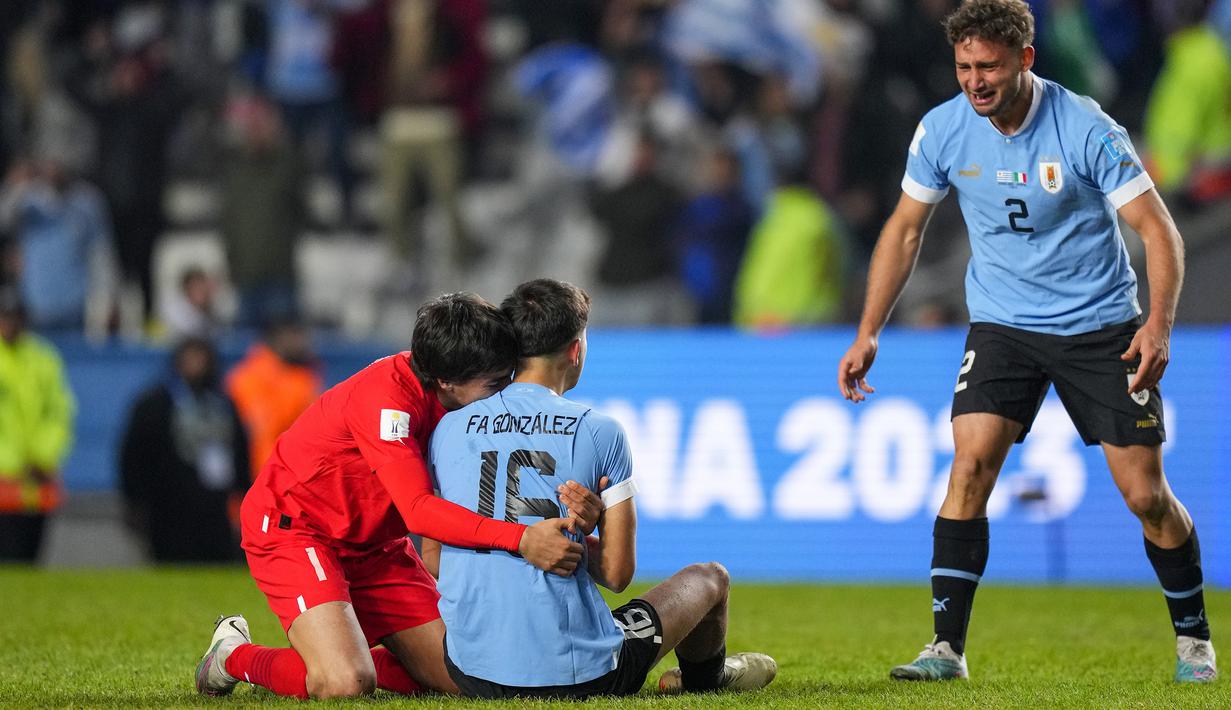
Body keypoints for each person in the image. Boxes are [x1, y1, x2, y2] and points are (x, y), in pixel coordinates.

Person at [836, 0, 1215, 684]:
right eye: (963, 67)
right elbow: (902, 231)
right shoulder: (943, 130)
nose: (974, 81)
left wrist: (1155, 326)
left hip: (1099, 325)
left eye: (988, 67)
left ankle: (1193, 641)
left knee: (1143, 496)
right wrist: (868, 331)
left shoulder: (1084, 126)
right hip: (1004, 325)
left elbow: (1159, 232)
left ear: (1024, 60)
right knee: (970, 463)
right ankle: (944, 649)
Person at [195, 293, 601, 699]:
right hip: (298, 529)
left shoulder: (458, 383)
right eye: (495, 383)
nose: (503, 394)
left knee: (467, 678)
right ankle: (231, 656)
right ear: (447, 382)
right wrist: (522, 539)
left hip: (377, 547)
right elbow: (420, 511)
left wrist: (577, 514)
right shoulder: (388, 401)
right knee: (345, 683)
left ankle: (347, 651)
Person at [426, 278, 777, 698]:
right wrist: (582, 536)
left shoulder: (449, 427)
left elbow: (435, 558)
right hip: (578, 676)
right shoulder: (600, 431)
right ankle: (707, 681)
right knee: (710, 578)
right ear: (575, 349)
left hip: (469, 670)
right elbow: (617, 574)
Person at [119, 338, 250, 563]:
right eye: (190, 358)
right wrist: (135, 500)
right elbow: (134, 454)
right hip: (167, 504)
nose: (196, 365)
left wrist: (244, 491)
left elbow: (239, 448)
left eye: (201, 358)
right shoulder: (156, 404)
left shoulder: (223, 403)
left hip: (214, 503)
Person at [0, 286, 75, 562]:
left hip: (36, 474)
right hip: (3, 473)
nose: (9, 323)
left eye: (14, 317)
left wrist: (43, 456)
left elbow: (58, 412)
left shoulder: (42, 359)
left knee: (30, 556)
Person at [225, 319, 321, 481]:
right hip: (262, 475)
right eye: (294, 335)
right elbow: (262, 429)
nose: (302, 343)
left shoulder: (303, 375)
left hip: (293, 472)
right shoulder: (249, 377)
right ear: (277, 338)